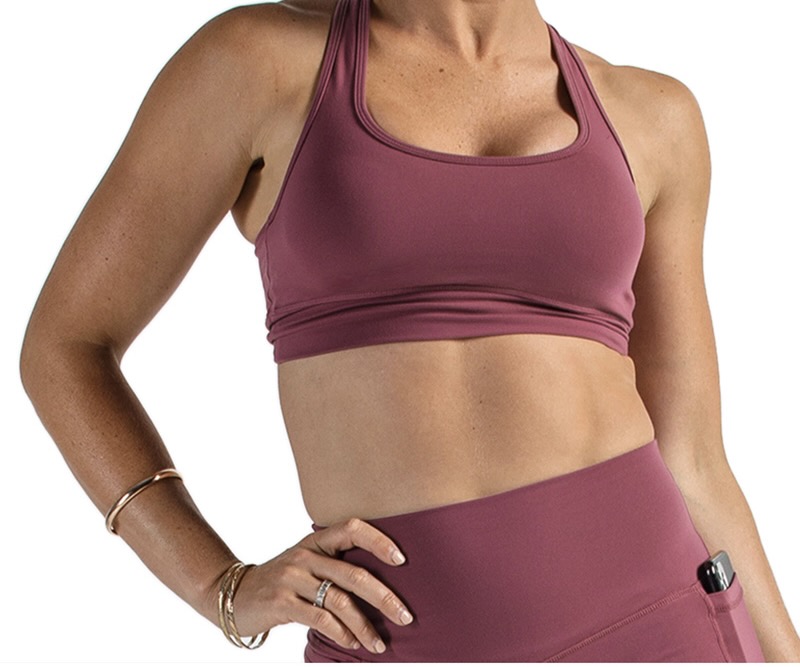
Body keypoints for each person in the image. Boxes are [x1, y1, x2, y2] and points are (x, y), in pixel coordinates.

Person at [18, 0, 799, 662]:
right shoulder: (260, 65)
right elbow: (65, 346)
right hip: (397, 639)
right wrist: (220, 586)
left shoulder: (653, 115)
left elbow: (694, 456)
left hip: (660, 621)